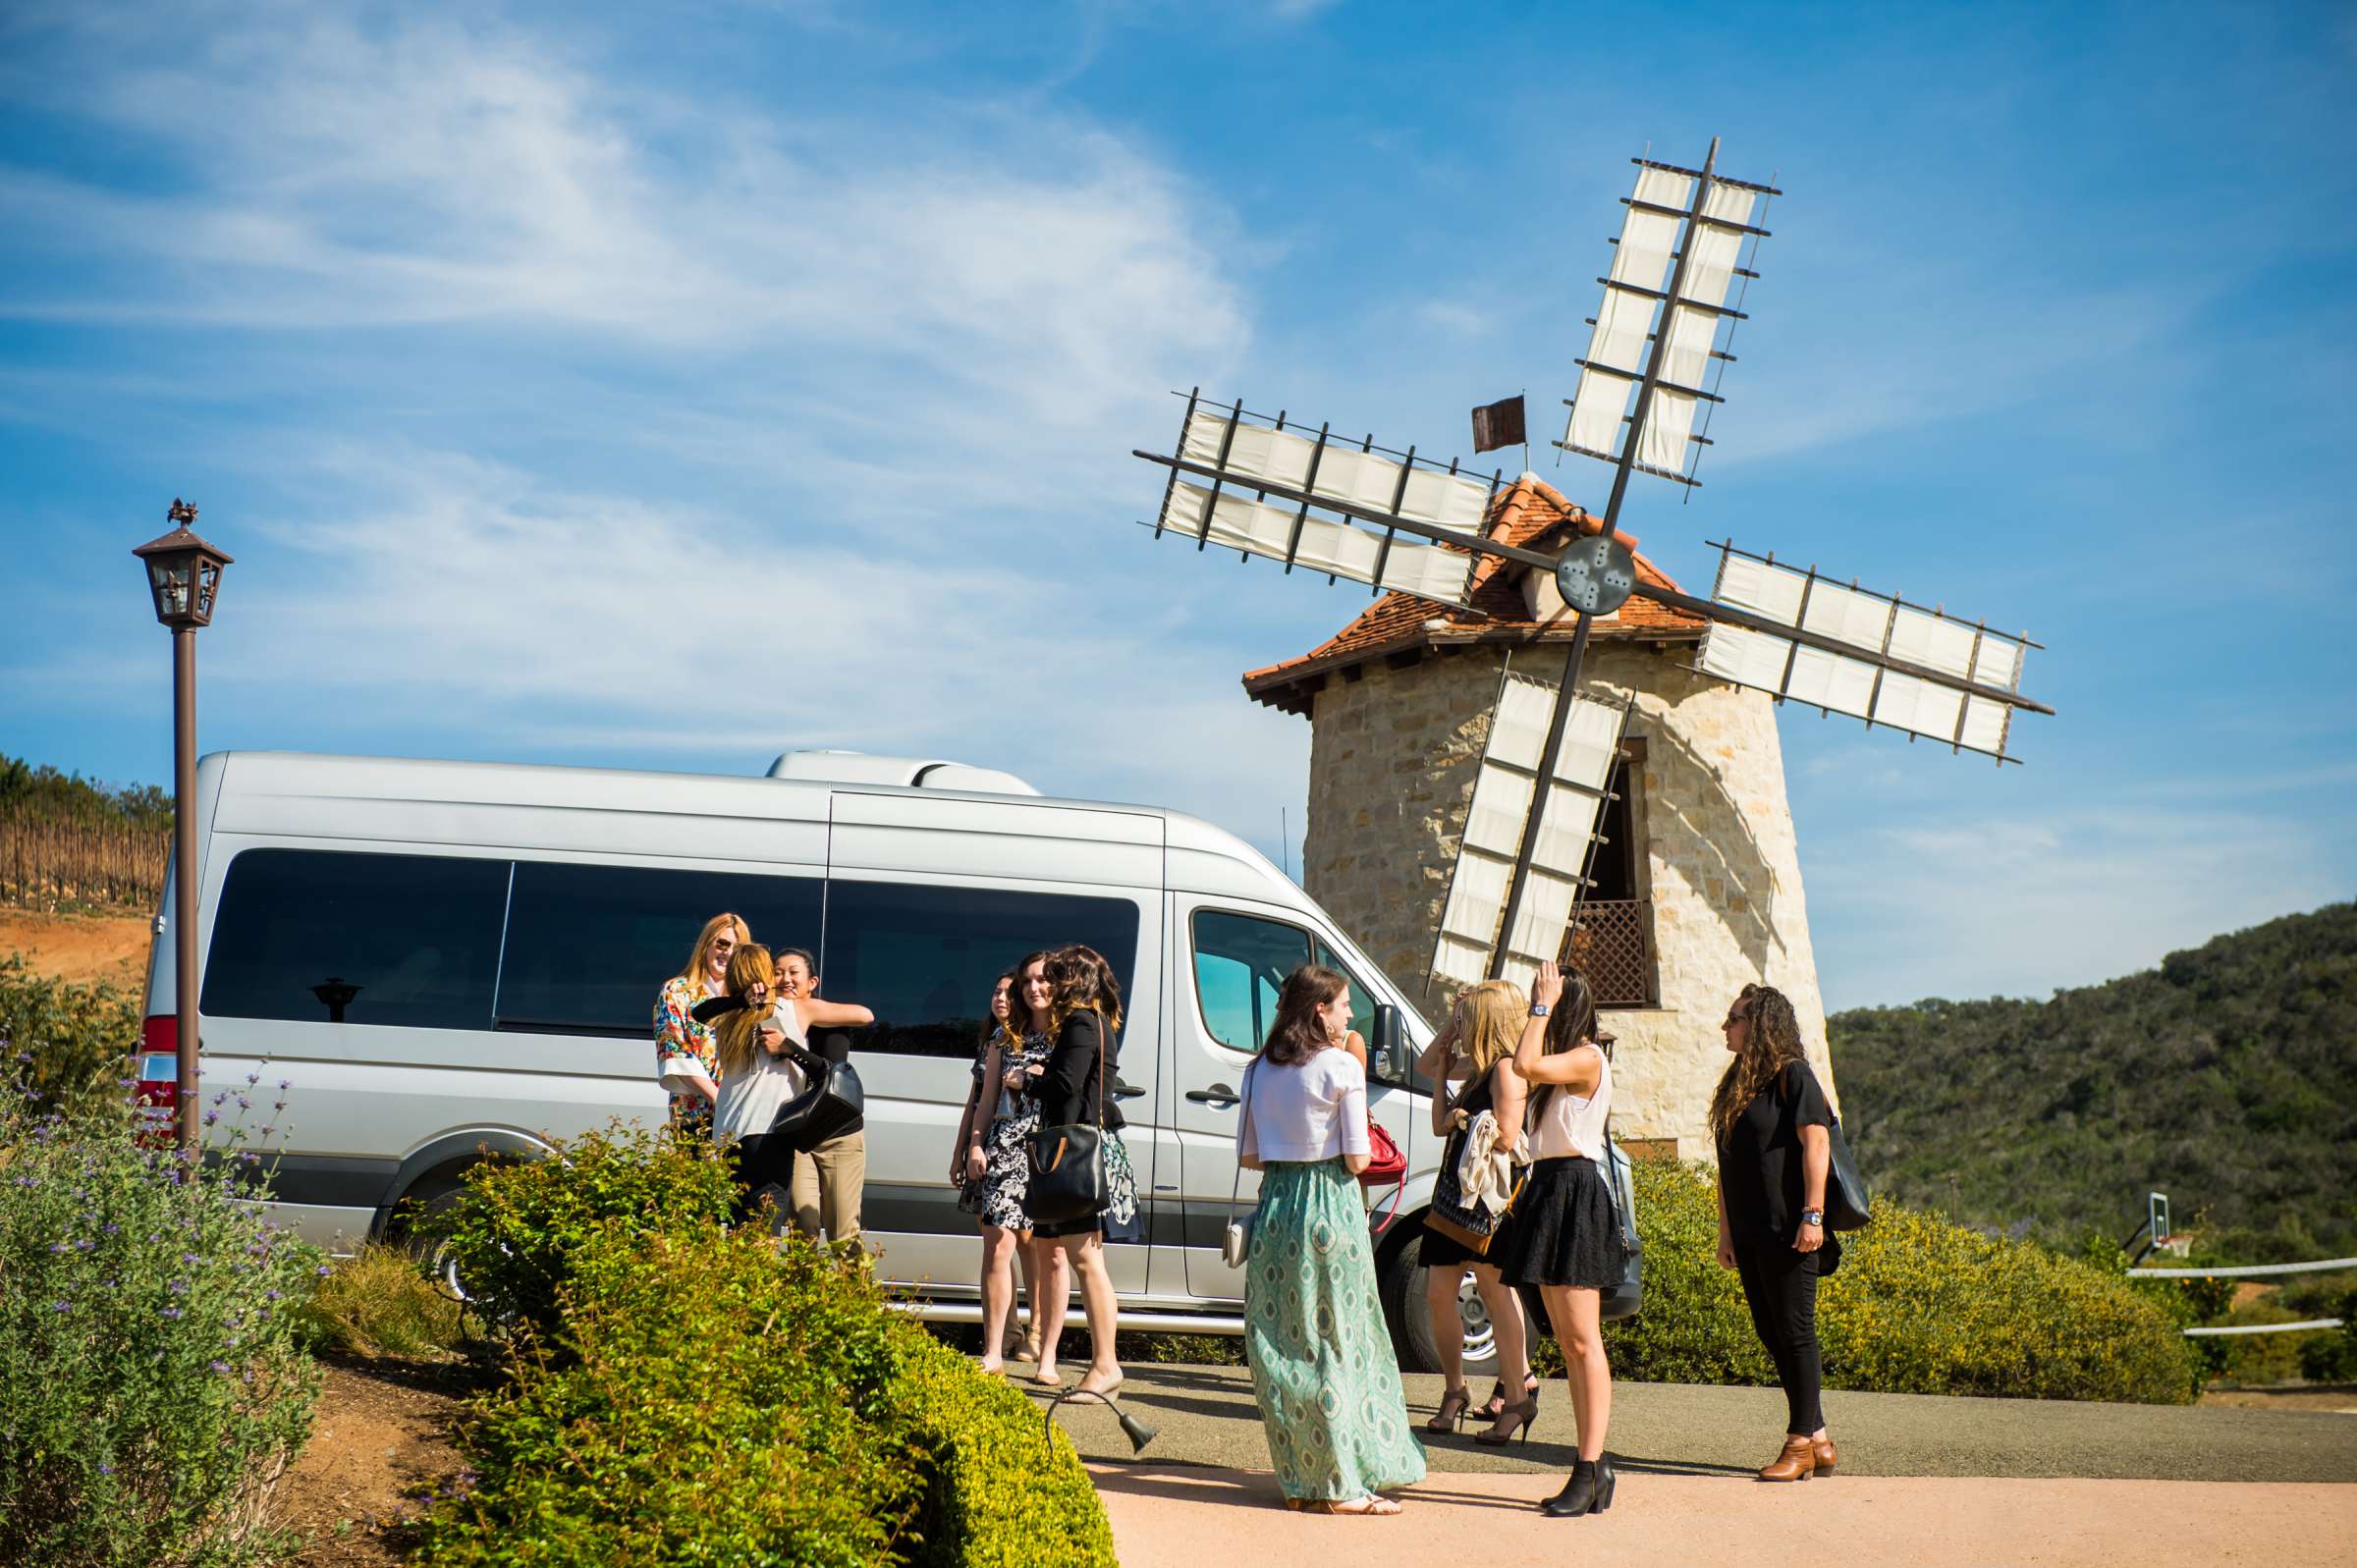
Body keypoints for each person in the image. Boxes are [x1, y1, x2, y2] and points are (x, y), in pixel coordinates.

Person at [1237, 965, 1425, 1515]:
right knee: (1340, 1338)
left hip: (1276, 1206)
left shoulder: (1257, 1071)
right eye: (1343, 1005)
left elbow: (1251, 1155)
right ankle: (1341, 1483)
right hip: (1329, 1206)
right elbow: (1358, 1157)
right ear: (1319, 1009)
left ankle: (1303, 1479)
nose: (1349, 1015)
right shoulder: (1341, 1065)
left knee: (1284, 1344)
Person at [1494, 960, 1624, 1518]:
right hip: (1548, 1189)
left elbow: (1523, 1062)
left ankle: (1591, 1466)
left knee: (1581, 1341)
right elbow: (1518, 1077)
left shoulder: (1588, 1057)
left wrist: (1540, 1005)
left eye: (1545, 997)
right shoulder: (1561, 1064)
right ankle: (1592, 1468)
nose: (1534, 1002)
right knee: (1568, 1342)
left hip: (1574, 1190)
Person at [1713, 982, 1840, 1482]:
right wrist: (1726, 1231)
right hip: (1749, 1230)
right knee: (1772, 1332)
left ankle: (1799, 1443)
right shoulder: (1737, 1084)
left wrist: (1814, 1215)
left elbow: (1817, 1144)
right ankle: (1821, 1438)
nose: (1727, 1026)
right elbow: (1726, 1165)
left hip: (1791, 1226)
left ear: (1760, 1024)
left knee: (1795, 1331)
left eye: (1734, 1018)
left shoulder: (1794, 1076)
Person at [1413, 978, 1540, 1444]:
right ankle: (1455, 1389)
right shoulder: (1477, 1067)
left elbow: (1506, 1136)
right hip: (1454, 1197)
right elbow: (1428, 1064)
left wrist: (1462, 1119)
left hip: (1488, 1203)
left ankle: (1518, 1395)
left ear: (1488, 1020)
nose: (1462, 1026)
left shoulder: (1505, 1070)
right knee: (1437, 1292)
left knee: (1493, 1289)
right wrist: (1451, 1021)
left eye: (1469, 1018)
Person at [1025, 944, 1136, 1396]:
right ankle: (1102, 1365)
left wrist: (1029, 1078)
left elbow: (1065, 1084)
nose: (1047, 985)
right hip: (1082, 1152)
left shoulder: (1079, 1021)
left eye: (1055, 977)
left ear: (1071, 980)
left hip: (1074, 1154)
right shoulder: (1100, 1021)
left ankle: (1106, 1365)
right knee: (1084, 1258)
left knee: (1087, 1261)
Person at [955, 958, 1064, 1374]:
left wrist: (1040, 1075)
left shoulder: (1068, 1035)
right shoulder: (1004, 1038)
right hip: (1006, 1148)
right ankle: (994, 1351)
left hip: (1051, 1151)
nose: (1034, 988)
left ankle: (1045, 1350)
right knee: (997, 1246)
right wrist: (975, 1146)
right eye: (1028, 982)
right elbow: (983, 1102)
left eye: (1043, 981)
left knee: (1049, 1251)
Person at [772, 946, 874, 1253]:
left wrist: (790, 1048)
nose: (785, 979)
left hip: (838, 1136)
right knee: (803, 1228)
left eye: (793, 973)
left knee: (843, 1235)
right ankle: (803, 1300)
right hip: (798, 1138)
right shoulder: (771, 1021)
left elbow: (830, 1075)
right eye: (778, 972)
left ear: (811, 982)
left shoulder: (827, 1018)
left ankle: (853, 1299)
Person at [707, 944, 796, 1223]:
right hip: (767, 1131)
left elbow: (699, 1012)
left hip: (727, 1136)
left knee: (736, 1223)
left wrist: (740, 1000)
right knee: (764, 1226)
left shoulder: (726, 1019)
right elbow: (865, 1015)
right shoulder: (787, 1010)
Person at [653, 913, 748, 1132]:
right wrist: (719, 1100)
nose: (728, 952)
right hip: (694, 1115)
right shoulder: (676, 991)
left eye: (737, 947)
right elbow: (675, 1051)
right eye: (722, 943)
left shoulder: (747, 997)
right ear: (706, 945)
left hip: (742, 1112)